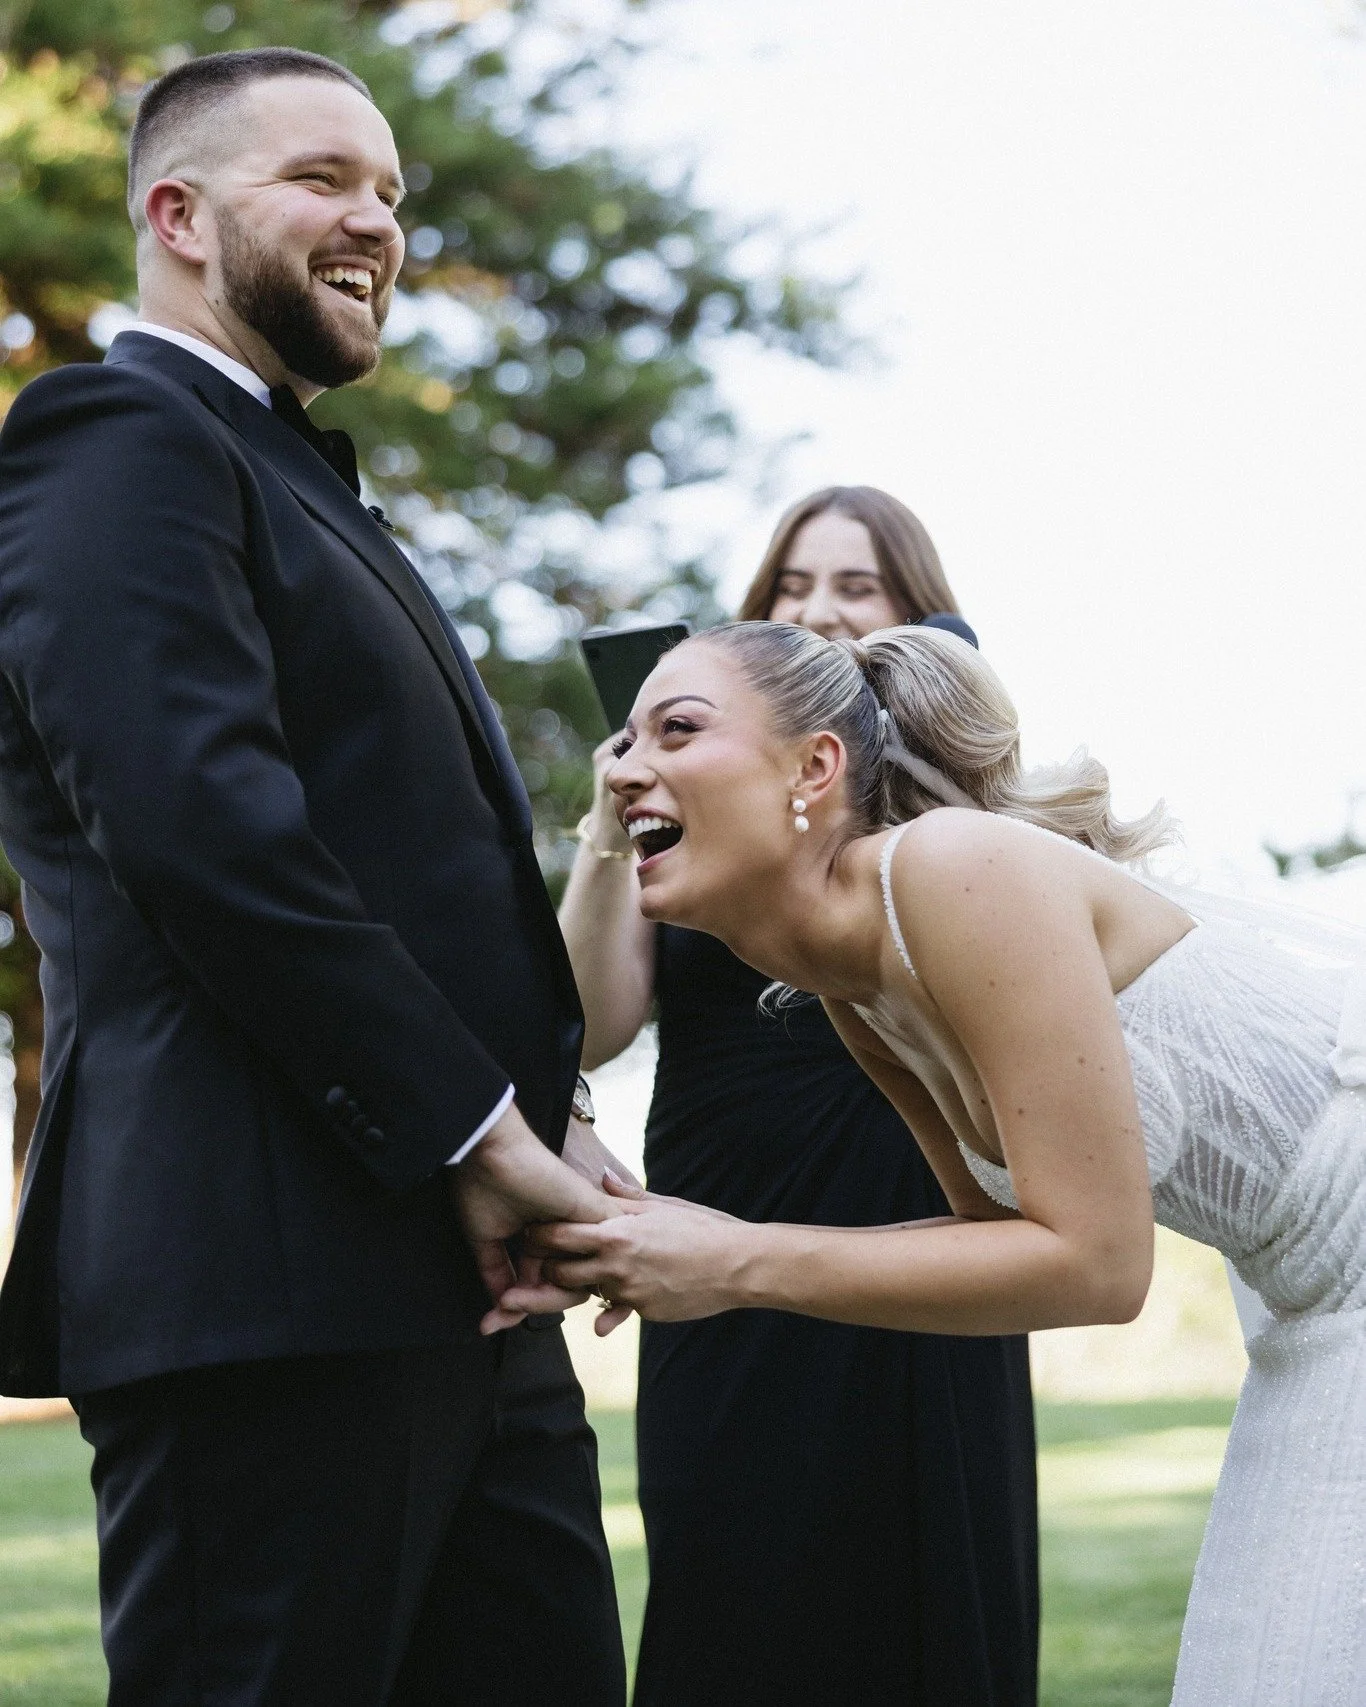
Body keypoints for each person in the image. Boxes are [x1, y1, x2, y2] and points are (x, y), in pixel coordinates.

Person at [0, 46, 633, 1707]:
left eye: (395, 198)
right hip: (263, 1283)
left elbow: (411, 870)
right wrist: (476, 1129)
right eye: (325, 181)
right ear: (178, 214)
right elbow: (206, 834)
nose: (378, 223)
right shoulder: (109, 439)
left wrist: (543, 1117)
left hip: (463, 1289)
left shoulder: (291, 470)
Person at [521, 620, 1366, 1705]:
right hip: (1313, 1309)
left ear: (814, 768)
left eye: (675, 730)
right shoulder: (852, 988)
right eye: (626, 740)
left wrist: (733, 1259)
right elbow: (993, 1245)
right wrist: (659, 1250)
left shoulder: (951, 870)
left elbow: (1099, 1270)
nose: (625, 765)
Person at [560, 489, 1038, 1706]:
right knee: (734, 1566)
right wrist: (612, 818)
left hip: (907, 1181)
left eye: (856, 587)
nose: (819, 608)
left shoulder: (942, 805)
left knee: (927, 1559)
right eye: (793, 587)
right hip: (721, 1187)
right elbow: (598, 1019)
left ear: (914, 617)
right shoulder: (681, 796)